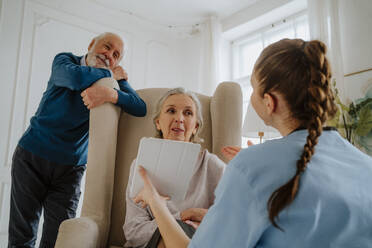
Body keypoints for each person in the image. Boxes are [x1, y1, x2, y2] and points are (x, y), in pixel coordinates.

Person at [133, 39, 372, 247]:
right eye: (171, 111)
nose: (179, 120)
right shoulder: (364, 164)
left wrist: (154, 200)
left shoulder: (248, 166)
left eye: (254, 88)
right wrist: (215, 218)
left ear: (268, 102)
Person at [8, 32, 146, 248]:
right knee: (22, 236)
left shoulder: (108, 83)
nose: (109, 55)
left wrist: (113, 93)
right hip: (31, 158)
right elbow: (74, 79)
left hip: (70, 170)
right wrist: (109, 74)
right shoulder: (65, 61)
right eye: (106, 47)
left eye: (116, 55)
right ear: (92, 44)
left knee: (58, 239)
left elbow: (140, 107)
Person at [123, 88, 225, 248]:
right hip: (153, 244)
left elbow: (230, 222)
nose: (179, 118)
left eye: (188, 113)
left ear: (196, 127)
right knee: (179, 230)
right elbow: (133, 231)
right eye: (171, 111)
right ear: (158, 122)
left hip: (198, 242)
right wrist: (186, 215)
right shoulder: (141, 165)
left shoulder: (213, 165)